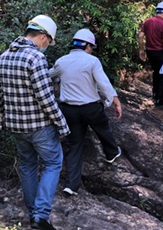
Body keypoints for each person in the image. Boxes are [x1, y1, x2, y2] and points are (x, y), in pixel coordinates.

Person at [0, 14, 70, 230]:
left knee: (27, 165)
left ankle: (32, 213)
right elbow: (46, 98)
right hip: (40, 127)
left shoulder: (3, 57)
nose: (47, 45)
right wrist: (62, 125)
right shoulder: (36, 58)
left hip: (16, 127)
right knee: (52, 163)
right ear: (44, 37)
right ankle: (41, 216)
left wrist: (2, 119)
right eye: (49, 41)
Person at [51, 28, 124, 196]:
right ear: (88, 46)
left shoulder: (62, 61)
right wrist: (116, 102)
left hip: (69, 110)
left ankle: (71, 185)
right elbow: (104, 84)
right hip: (90, 108)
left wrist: (59, 80)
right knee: (103, 129)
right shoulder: (92, 61)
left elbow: (48, 75)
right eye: (91, 47)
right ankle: (112, 153)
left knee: (73, 145)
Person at [138, 1, 163, 107]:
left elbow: (140, 36)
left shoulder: (147, 22)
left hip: (150, 52)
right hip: (160, 52)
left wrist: (141, 50)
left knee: (156, 72)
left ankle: (154, 94)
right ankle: (159, 99)